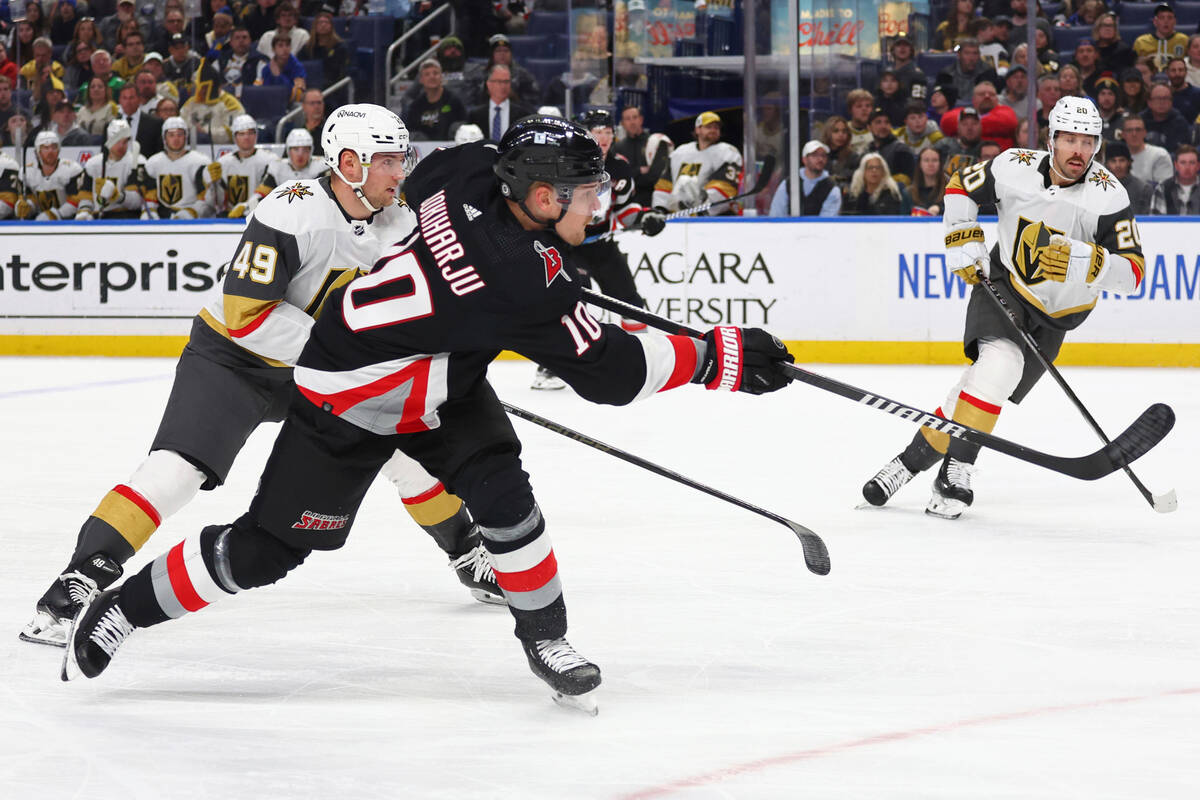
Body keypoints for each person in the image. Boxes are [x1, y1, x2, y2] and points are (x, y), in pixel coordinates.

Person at [61, 114, 795, 713]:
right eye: (584, 194)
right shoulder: (520, 284)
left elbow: (485, 235)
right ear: (540, 197)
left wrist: (566, 250)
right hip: (350, 394)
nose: (593, 204)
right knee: (266, 550)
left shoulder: (467, 167)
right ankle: (124, 606)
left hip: (442, 383)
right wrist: (720, 358)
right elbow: (614, 373)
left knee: (506, 498)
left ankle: (546, 638)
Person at [26, 104, 501, 650]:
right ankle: (78, 583)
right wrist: (349, 353)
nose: (402, 172)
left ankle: (467, 551)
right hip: (236, 361)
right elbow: (245, 313)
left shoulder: (403, 222)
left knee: (406, 455)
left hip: (324, 371)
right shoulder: (293, 209)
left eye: (403, 158)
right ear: (349, 163)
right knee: (175, 472)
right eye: (390, 160)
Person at [861, 97, 1145, 519]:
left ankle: (906, 463)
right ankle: (955, 472)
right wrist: (960, 233)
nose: (1079, 151)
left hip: (1056, 319)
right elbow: (959, 184)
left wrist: (1087, 261)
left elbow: (1134, 271)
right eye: (1069, 139)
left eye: (1088, 141)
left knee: (974, 390)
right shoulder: (1013, 166)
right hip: (1004, 286)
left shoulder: (1109, 197)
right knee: (998, 367)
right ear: (1051, 139)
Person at [531, 109, 664, 390]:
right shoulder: (563, 164)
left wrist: (646, 218)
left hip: (601, 246)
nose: (603, 138)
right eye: (597, 132)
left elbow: (625, 211)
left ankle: (641, 360)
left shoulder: (620, 168)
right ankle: (551, 366)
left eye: (607, 132)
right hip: (567, 246)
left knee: (630, 303)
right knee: (568, 302)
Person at [653, 110, 743, 215]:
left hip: (711, 217)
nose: (713, 130)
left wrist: (704, 210)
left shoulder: (727, 152)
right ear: (697, 130)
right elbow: (665, 185)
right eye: (709, 127)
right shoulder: (680, 152)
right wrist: (660, 208)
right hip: (678, 215)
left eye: (716, 127)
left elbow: (725, 187)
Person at [141, 116, 215, 219]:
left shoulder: (200, 162)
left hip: (192, 221)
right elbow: (149, 194)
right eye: (171, 135)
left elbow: (206, 200)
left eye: (180, 134)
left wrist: (192, 212)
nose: (176, 139)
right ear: (164, 138)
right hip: (161, 219)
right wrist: (149, 211)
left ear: (186, 136)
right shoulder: (153, 163)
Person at [77, 118, 147, 219]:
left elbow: (138, 201)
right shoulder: (93, 164)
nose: (121, 146)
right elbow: (86, 195)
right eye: (117, 141)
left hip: (126, 219)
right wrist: (85, 210)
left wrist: (118, 196)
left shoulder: (137, 162)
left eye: (125, 141)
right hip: (98, 219)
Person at [211, 113, 277, 217]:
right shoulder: (223, 163)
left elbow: (270, 195)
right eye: (241, 134)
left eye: (250, 133)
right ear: (234, 137)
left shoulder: (269, 160)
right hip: (231, 217)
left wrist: (247, 207)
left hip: (260, 216)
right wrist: (211, 181)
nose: (246, 137)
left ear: (256, 135)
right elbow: (218, 201)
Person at [14, 129, 84, 219]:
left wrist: (56, 214)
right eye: (46, 148)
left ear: (59, 150)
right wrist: (27, 206)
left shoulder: (72, 169)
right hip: (38, 221)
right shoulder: (27, 172)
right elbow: (30, 198)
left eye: (54, 147)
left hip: (68, 222)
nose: (50, 151)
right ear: (37, 152)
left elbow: (76, 201)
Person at [768, 138, 842, 217]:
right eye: (814, 155)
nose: (820, 159)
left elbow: (826, 223)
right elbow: (776, 215)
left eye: (823, 155)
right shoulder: (788, 184)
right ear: (804, 159)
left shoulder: (832, 188)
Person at [181, 58, 247, 144]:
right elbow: (181, 122)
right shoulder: (191, 102)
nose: (200, 91)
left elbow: (232, 133)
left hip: (220, 149)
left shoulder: (230, 104)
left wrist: (204, 132)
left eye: (203, 87)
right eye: (198, 87)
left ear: (213, 86)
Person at [467, 64, 534, 142]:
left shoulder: (522, 115)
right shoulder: (475, 115)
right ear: (489, 84)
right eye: (499, 81)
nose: (503, 86)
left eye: (506, 81)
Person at [405, 58, 467, 141]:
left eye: (435, 73)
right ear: (421, 80)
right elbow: (410, 131)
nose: (432, 77)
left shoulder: (454, 101)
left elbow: (465, 125)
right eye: (427, 74)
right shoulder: (415, 106)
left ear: (441, 77)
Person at [840, 151, 912, 215]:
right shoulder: (853, 195)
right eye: (870, 167)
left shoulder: (893, 193)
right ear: (863, 172)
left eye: (878, 167)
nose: (874, 170)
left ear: (883, 172)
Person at [935, 39, 1001, 106]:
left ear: (979, 55)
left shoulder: (988, 73)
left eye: (975, 53)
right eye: (967, 53)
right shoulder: (945, 74)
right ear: (959, 55)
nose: (971, 58)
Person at [298, 8, 349, 89]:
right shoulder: (308, 47)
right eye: (320, 22)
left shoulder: (339, 47)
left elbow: (340, 71)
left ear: (331, 26)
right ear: (315, 26)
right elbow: (300, 65)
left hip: (333, 86)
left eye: (326, 22)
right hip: (310, 84)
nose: (323, 25)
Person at [1133, 2, 1188, 75]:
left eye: (1170, 18)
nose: (1166, 21)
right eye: (1162, 18)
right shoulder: (1141, 41)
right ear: (1155, 22)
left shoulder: (1184, 40)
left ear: (1175, 21)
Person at [865, 105, 915, 185]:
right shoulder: (867, 151)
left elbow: (906, 181)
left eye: (887, 122)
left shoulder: (901, 150)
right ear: (869, 127)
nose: (883, 126)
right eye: (878, 122)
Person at [252, 29, 306, 104]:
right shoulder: (267, 68)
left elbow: (297, 95)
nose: (285, 49)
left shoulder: (297, 66)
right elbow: (264, 90)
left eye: (287, 45)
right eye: (280, 45)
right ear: (273, 49)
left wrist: (278, 76)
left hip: (291, 103)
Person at [1121, 114, 1174, 185]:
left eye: (1138, 130)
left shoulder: (1160, 155)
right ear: (1123, 134)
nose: (1134, 134)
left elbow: (1164, 189)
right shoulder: (1115, 158)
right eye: (1129, 130)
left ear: (1145, 133)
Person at [1150, 143, 1200, 214]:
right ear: (1176, 165)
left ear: (1198, 166)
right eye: (1183, 162)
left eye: (1192, 163)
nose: (1187, 167)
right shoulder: (1162, 188)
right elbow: (1156, 222)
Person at [1141, 82, 1191, 153]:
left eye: (1166, 98)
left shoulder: (1180, 123)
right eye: (1158, 98)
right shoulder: (1139, 122)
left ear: (1171, 102)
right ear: (1149, 102)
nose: (1162, 102)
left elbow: (1184, 152)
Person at [821, 114, 860, 192]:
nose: (841, 135)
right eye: (836, 131)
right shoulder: (819, 155)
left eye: (844, 131)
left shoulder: (853, 157)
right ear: (828, 133)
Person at [910, 145, 948, 215]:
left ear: (940, 164)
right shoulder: (909, 193)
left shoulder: (950, 191)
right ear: (919, 164)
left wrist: (940, 209)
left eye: (935, 160)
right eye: (926, 160)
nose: (930, 164)